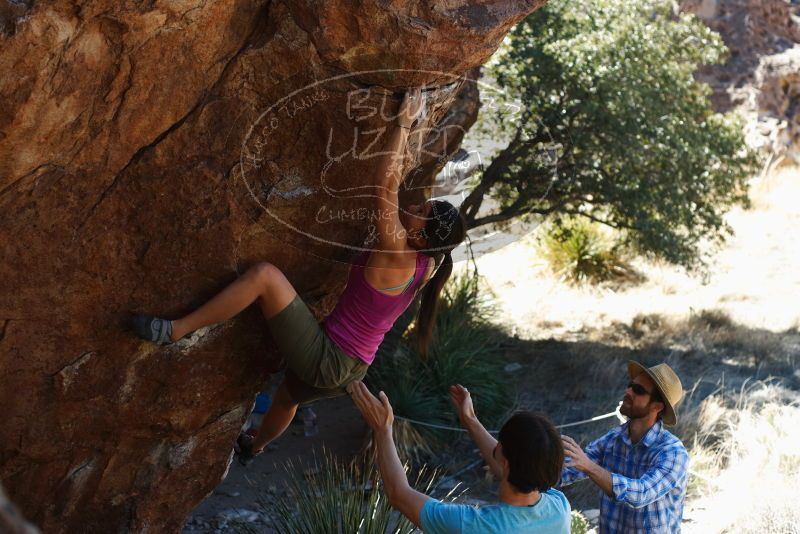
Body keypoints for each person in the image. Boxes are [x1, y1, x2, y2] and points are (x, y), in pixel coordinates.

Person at [130, 89, 467, 464]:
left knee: (264, 276)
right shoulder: (428, 263)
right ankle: (253, 447)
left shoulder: (398, 252)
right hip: (352, 368)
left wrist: (404, 122)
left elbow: (384, 186)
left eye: (422, 210)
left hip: (331, 358)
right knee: (287, 398)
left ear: (419, 236)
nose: (415, 204)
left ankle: (177, 330)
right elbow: (407, 200)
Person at [349, 381, 571, 533]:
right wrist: (470, 420)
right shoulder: (559, 508)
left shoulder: (473, 526)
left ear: (505, 462)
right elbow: (518, 467)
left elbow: (399, 494)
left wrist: (382, 429)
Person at [560, 361, 689, 533]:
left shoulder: (673, 452)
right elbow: (569, 470)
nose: (628, 391)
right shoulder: (613, 439)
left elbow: (642, 493)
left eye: (639, 390)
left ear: (657, 407)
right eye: (630, 385)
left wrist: (589, 467)